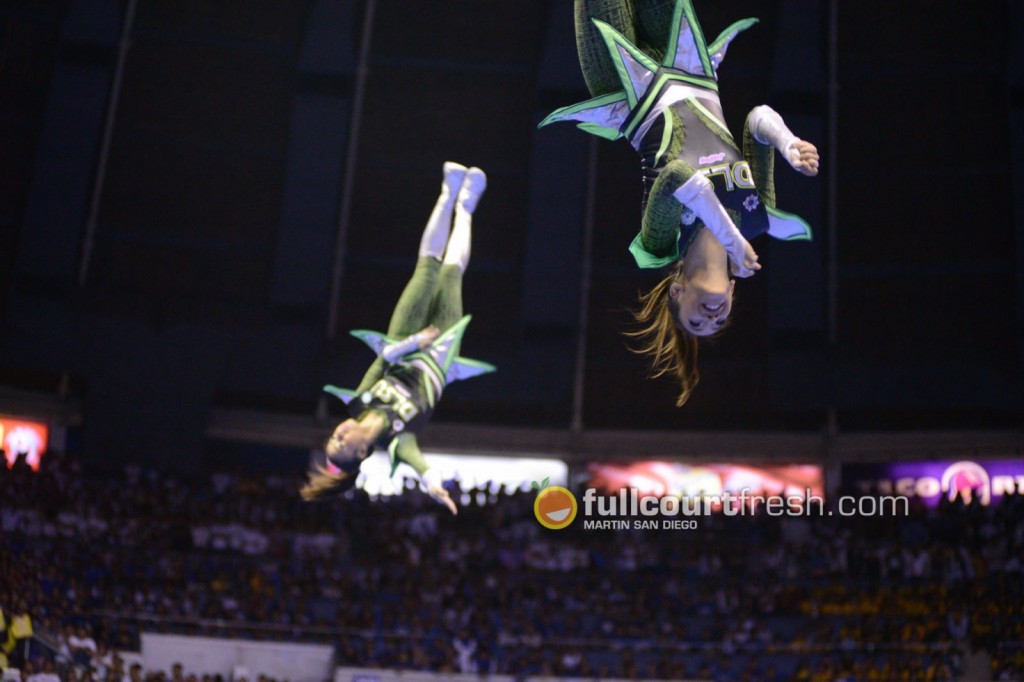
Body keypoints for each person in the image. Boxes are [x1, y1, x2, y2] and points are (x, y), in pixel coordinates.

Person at [540, 0, 820, 405]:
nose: (711, 316)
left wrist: (731, 240)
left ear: (677, 290)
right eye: (719, 319)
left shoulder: (660, 242)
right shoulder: (756, 219)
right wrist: (789, 144)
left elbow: (678, 178)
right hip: (690, 66)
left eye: (695, 320)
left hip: (623, 84)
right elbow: (758, 119)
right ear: (732, 297)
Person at [301, 162, 495, 512]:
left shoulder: (359, 402)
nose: (339, 433)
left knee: (426, 270)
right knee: (451, 277)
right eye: (341, 444)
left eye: (333, 437)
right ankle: (466, 207)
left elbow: (382, 360)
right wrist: (434, 485)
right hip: (438, 355)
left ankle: (447, 194)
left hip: (406, 339)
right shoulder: (398, 438)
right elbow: (420, 464)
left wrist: (412, 342)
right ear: (362, 452)